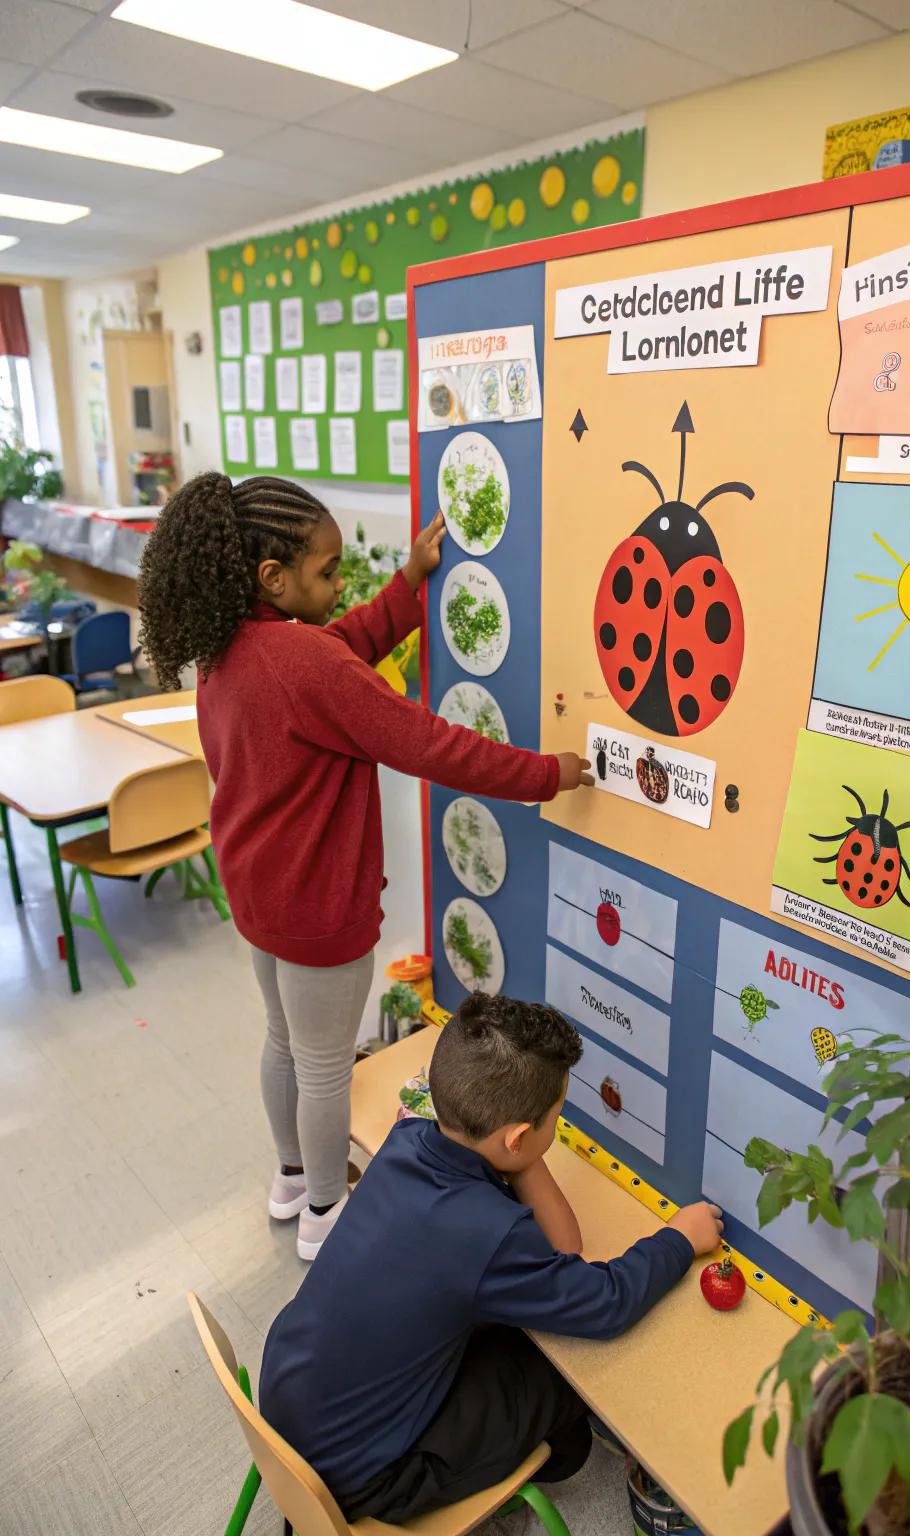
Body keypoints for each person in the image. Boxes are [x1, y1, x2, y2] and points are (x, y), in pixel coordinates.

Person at [137, 474, 591, 1260]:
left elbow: (342, 644)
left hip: (258, 895)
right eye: (325, 570)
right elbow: (431, 745)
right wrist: (546, 775)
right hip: (316, 908)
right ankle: (322, 1210)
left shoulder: (230, 646)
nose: (338, 581)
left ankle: (288, 1181)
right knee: (323, 1069)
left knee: (284, 1042)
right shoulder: (305, 663)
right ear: (271, 578)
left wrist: (409, 582)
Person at [259, 993, 724, 1522]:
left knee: (503, 1323)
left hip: (286, 1400)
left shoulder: (408, 1137)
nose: (556, 1128)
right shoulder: (489, 1232)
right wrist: (680, 1239)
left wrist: (520, 1158)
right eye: (556, 1118)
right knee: (560, 1377)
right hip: (365, 1478)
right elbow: (605, 1303)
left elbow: (560, 1248)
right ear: (520, 1136)